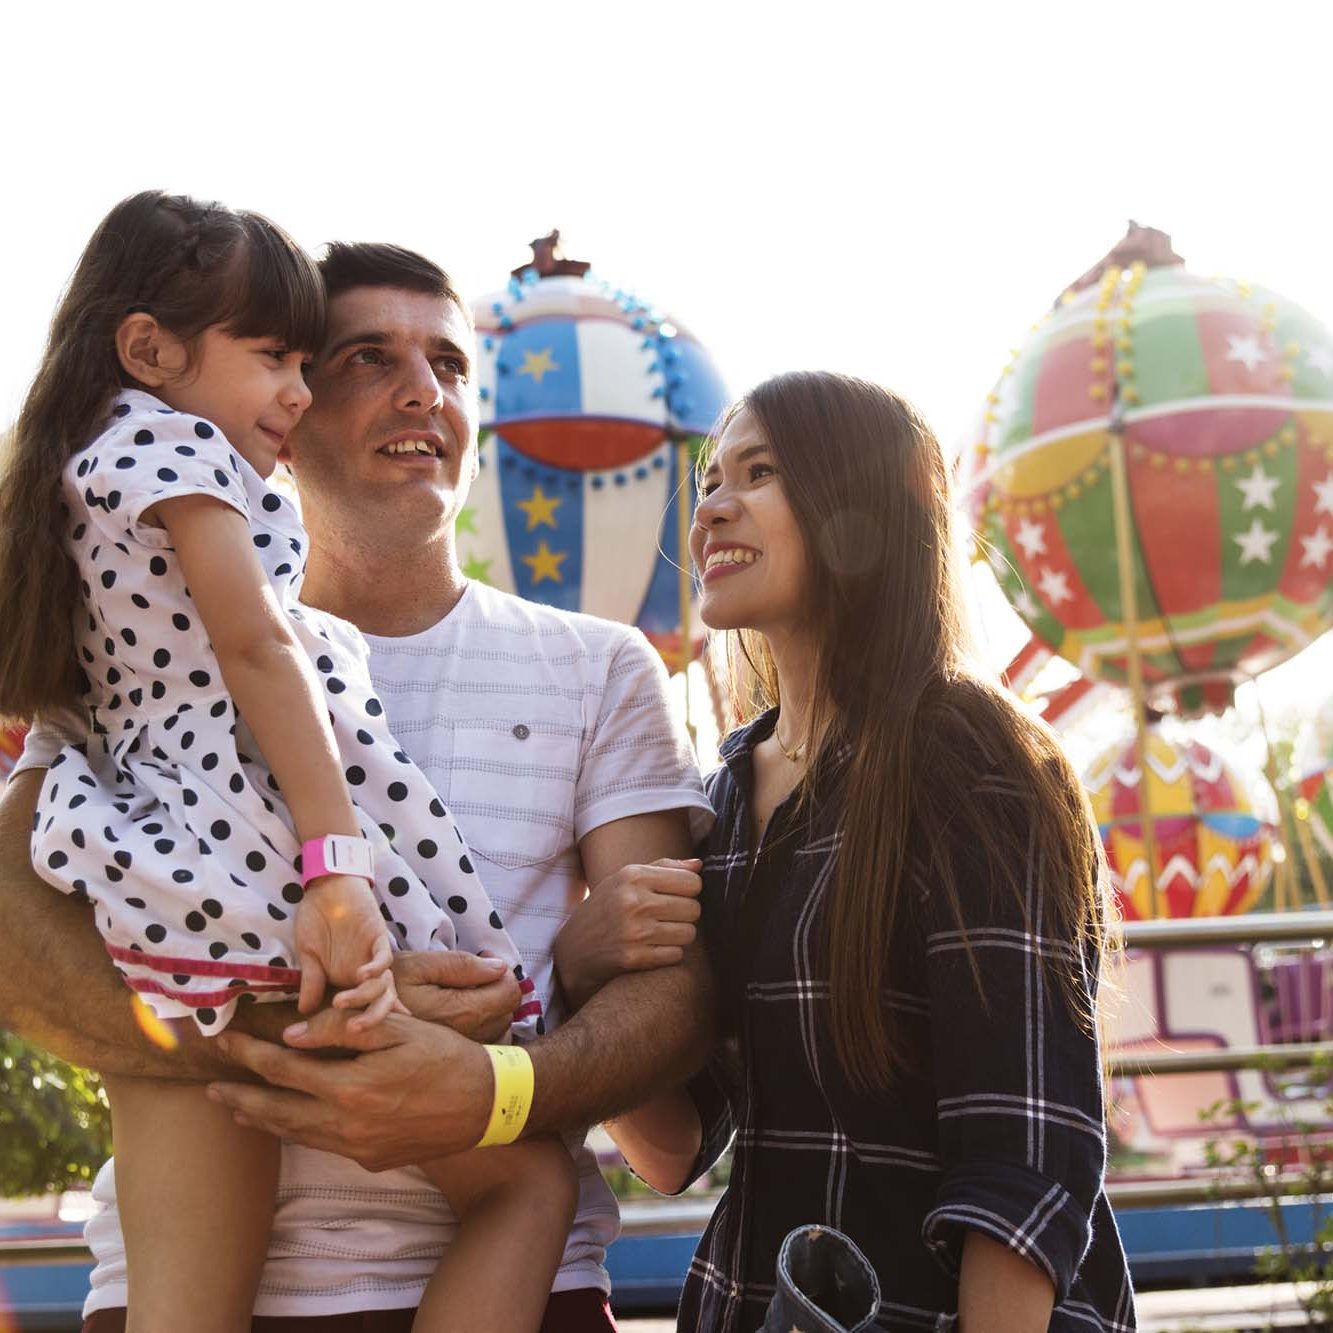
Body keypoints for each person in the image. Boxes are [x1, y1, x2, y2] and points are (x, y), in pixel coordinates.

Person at [0, 229, 715, 1332]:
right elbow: (12, 942)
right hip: (178, 1281)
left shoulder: (598, 667)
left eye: (450, 364)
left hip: (533, 1289)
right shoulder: (131, 649)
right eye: (366, 358)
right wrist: (312, 1027)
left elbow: (671, 1000)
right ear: (279, 409)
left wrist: (494, 1082)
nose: (423, 391)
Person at [600, 373, 1138, 1331]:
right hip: (751, 1305)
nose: (713, 504)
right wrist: (586, 968)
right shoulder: (722, 798)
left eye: (759, 472)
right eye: (711, 478)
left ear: (860, 504)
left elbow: (1023, 1156)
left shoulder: (972, 763)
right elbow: (676, 1145)